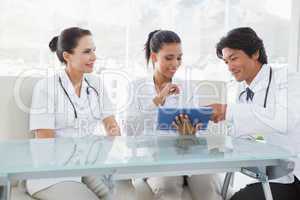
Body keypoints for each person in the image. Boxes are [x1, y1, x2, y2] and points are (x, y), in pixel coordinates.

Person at [125, 30, 223, 200]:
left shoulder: (188, 88)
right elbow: (130, 130)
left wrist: (191, 132)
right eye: (169, 58)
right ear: (155, 57)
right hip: (155, 158)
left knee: (208, 185)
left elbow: (197, 132)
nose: (175, 64)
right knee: (168, 186)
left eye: (179, 58)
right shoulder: (136, 87)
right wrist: (159, 99)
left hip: (190, 155)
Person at [26, 27, 120, 200]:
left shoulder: (96, 84)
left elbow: (113, 129)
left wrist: (105, 149)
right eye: (86, 52)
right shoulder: (46, 87)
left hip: (88, 165)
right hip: (53, 173)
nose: (94, 57)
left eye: (94, 50)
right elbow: (45, 143)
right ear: (67, 56)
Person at [211, 27, 300, 199]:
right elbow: (253, 136)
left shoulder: (287, 79)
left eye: (233, 58)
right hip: (271, 174)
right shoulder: (242, 90)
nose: (229, 67)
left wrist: (226, 111)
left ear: (255, 54)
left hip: (295, 174)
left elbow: (286, 121)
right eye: (226, 62)